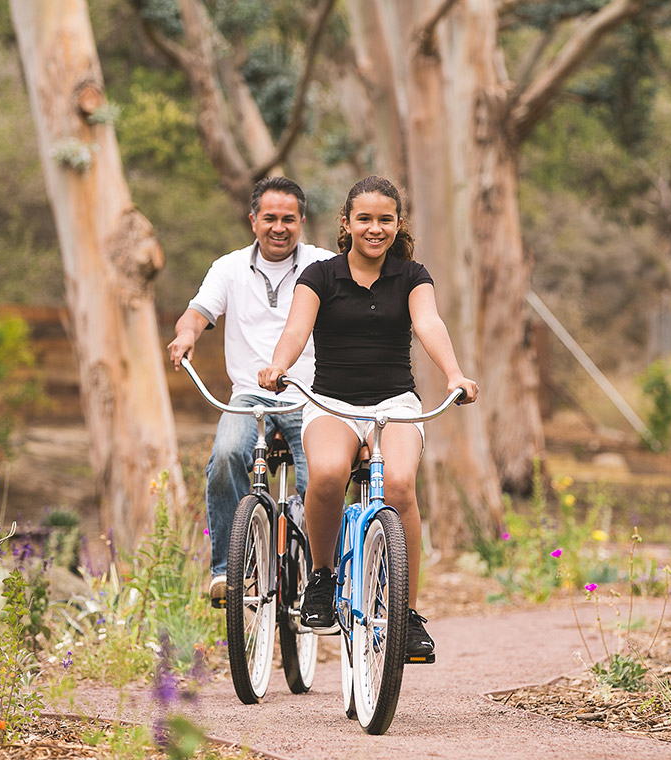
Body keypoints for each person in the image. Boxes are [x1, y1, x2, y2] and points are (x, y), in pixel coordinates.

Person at [257, 175, 478, 660]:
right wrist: (278, 364)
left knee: (399, 485)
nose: (375, 229)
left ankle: (409, 615)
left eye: (385, 219)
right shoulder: (320, 276)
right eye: (365, 219)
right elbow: (297, 329)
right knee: (330, 474)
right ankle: (321, 578)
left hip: (394, 403)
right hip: (333, 401)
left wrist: (455, 373)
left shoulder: (412, 275)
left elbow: (428, 324)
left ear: (398, 224)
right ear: (346, 223)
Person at [168, 176, 335, 604]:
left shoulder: (323, 265)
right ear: (253, 220)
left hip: (310, 394)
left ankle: (322, 576)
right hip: (249, 395)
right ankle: (227, 570)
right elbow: (196, 314)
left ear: (301, 221)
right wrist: (186, 335)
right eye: (269, 218)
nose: (278, 227)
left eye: (288, 219)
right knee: (225, 455)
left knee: (322, 476)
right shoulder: (228, 268)